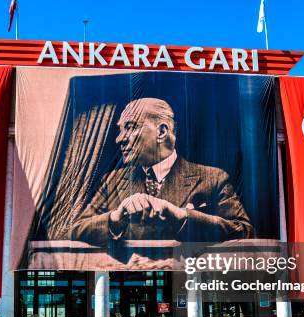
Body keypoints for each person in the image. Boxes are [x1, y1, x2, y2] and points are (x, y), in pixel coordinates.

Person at [69, 97, 254, 245]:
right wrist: (115, 218)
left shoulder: (213, 178)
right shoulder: (112, 181)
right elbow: (76, 229)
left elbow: (244, 231)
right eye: (120, 130)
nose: (119, 139)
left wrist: (182, 217)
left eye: (130, 127)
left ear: (162, 131)